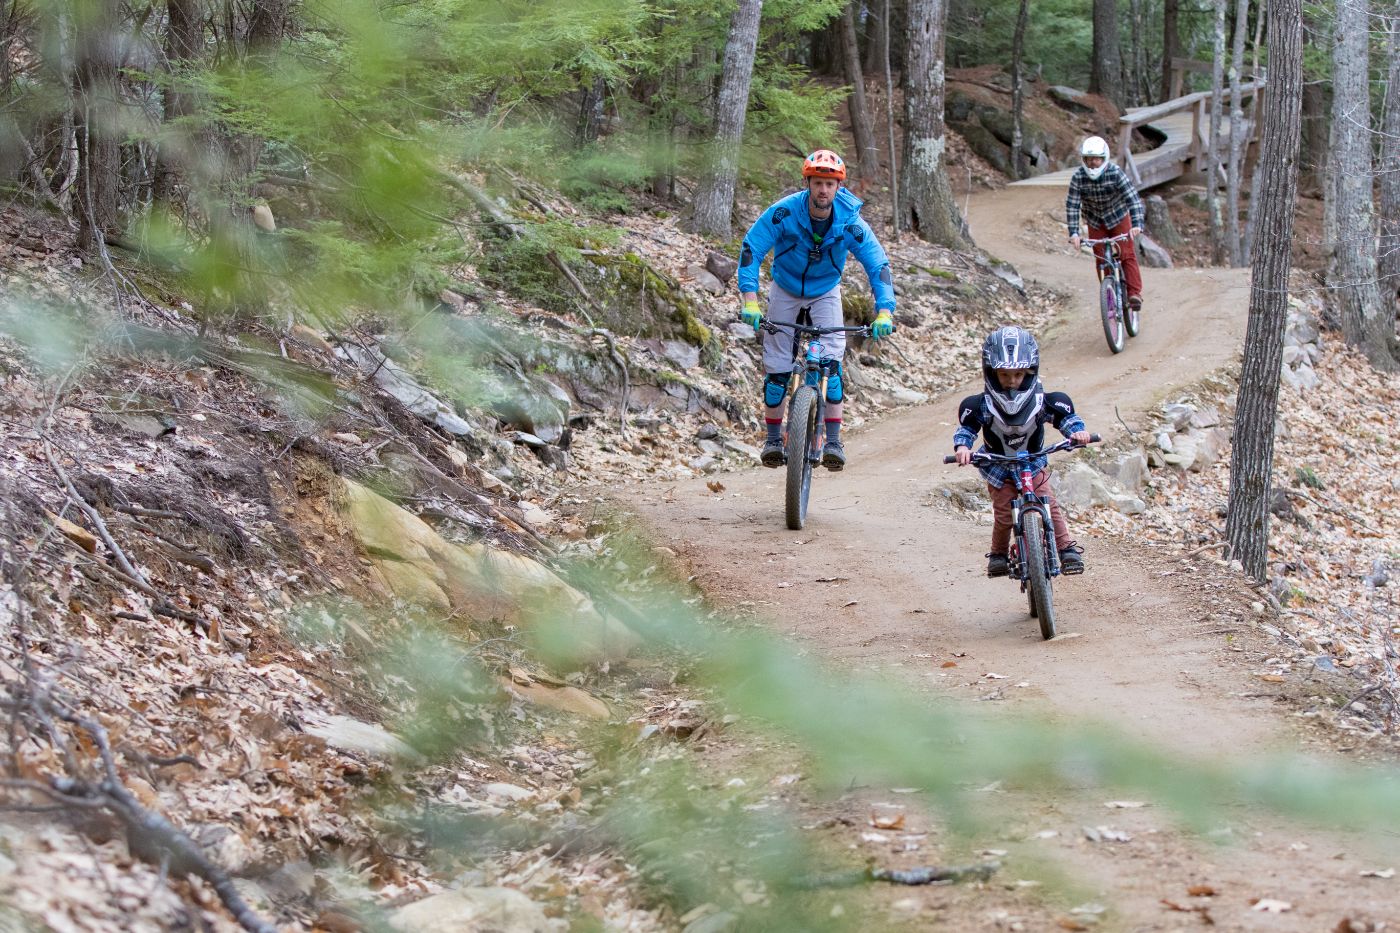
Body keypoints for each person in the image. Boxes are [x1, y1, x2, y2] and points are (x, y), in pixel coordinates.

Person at [737, 149, 896, 472]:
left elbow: (877, 264)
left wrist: (885, 312)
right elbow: (751, 249)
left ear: (839, 187)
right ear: (807, 183)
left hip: (826, 292)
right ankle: (772, 439)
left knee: (832, 367)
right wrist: (750, 301)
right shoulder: (784, 212)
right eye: (818, 183)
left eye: (829, 184)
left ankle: (833, 441)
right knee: (777, 370)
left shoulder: (850, 220)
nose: (823, 190)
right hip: (784, 288)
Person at [952, 326, 1092, 577]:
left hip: (1033, 462)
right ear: (991, 373)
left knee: (1048, 503)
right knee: (1004, 513)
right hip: (998, 465)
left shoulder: (1043, 401)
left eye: (1018, 374)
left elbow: (1065, 419)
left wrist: (1076, 434)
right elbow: (967, 429)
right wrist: (963, 448)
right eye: (1004, 375)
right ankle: (998, 555)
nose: (1012, 381)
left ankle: (1066, 549)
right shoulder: (981, 405)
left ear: (1030, 371)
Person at [1065, 135, 1145, 315]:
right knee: (1101, 259)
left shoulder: (1115, 173)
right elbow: (1072, 205)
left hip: (1118, 217)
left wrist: (1137, 224)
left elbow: (1133, 199)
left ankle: (1134, 294)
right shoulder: (1078, 178)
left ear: (1104, 158)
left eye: (1096, 158)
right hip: (1095, 221)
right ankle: (1109, 296)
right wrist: (1074, 233)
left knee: (1126, 254)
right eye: (1088, 159)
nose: (1093, 163)